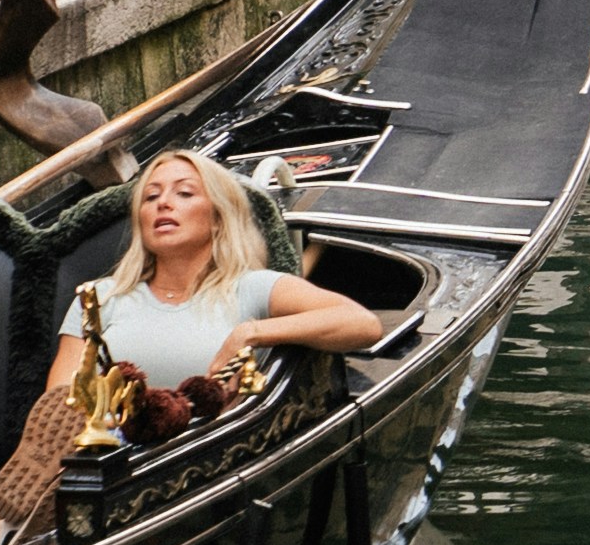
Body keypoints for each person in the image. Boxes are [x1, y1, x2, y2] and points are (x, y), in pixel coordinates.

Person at [26, 150, 396, 507]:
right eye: (151, 197)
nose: (163, 204)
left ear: (218, 218)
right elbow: (59, 406)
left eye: (184, 193)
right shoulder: (99, 298)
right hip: (108, 476)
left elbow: (362, 324)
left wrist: (252, 333)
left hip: (210, 479)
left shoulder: (252, 287)